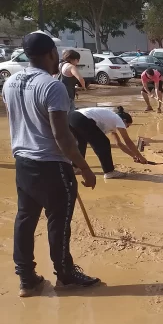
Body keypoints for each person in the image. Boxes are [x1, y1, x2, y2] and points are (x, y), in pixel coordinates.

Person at [2, 32, 99, 297]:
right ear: (51, 54)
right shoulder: (52, 86)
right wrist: (85, 167)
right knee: (59, 222)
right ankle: (65, 273)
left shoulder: (9, 83)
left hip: (23, 162)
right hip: (52, 166)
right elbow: (62, 136)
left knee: (25, 218)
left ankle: (26, 278)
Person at [69, 106, 148, 179]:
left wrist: (134, 156)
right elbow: (127, 141)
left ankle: (75, 167)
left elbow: (119, 143)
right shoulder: (118, 120)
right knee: (103, 143)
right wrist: (140, 156)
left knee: (81, 143)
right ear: (124, 121)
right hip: (81, 118)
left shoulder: (111, 122)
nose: (126, 128)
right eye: (127, 126)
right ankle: (109, 172)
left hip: (72, 117)